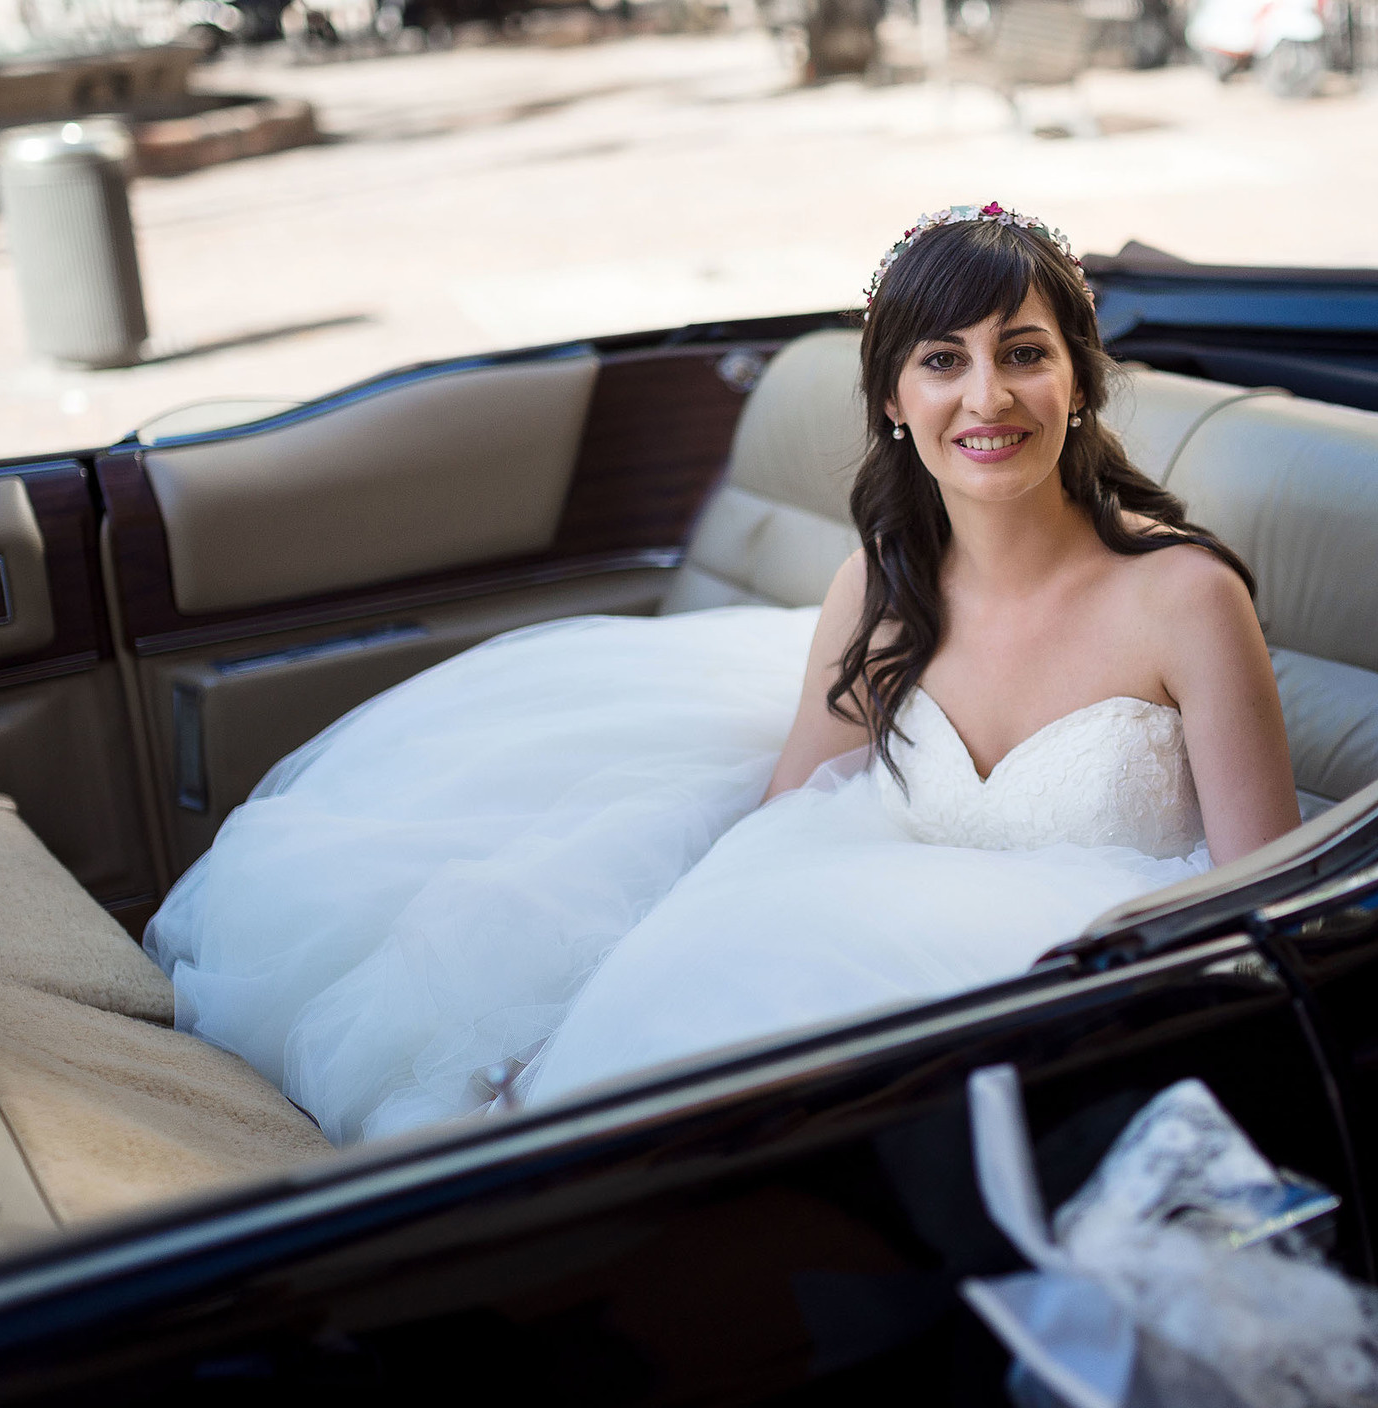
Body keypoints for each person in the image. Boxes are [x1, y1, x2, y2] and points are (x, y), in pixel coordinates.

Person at [146, 205, 1301, 1144]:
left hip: (1080, 1007)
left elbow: (1269, 888)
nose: (985, 397)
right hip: (852, 962)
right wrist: (601, 1008)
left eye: (1024, 353)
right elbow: (788, 813)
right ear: (894, 402)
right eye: (941, 360)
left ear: (1081, 382)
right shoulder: (881, 587)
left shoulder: (1184, 598)